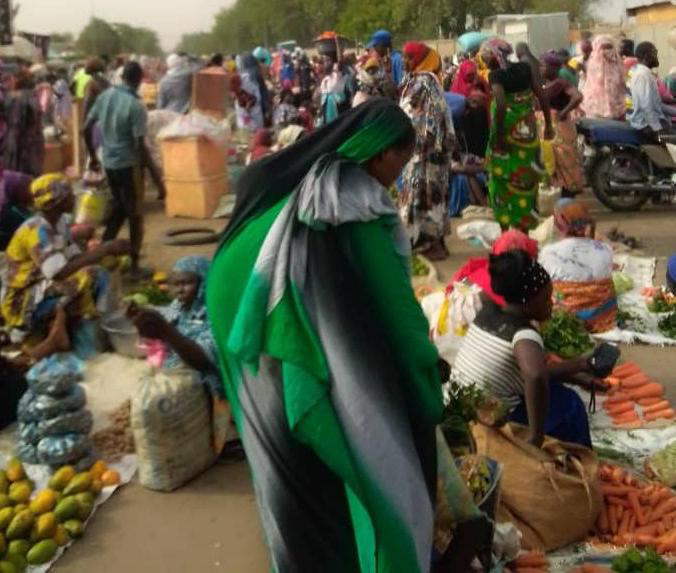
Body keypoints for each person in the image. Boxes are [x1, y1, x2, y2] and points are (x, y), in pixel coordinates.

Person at [206, 99, 484, 572]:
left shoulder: (294, 186)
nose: (401, 172)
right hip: (290, 352)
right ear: (377, 154)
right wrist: (424, 373)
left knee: (288, 479)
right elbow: (396, 310)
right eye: (401, 160)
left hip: (255, 344)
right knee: (378, 481)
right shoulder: (353, 206)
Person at [453, 249, 601, 448]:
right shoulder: (524, 334)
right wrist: (535, 435)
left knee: (551, 390)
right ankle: (577, 462)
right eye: (546, 299)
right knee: (570, 404)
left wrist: (578, 369)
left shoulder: (487, 310)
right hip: (491, 419)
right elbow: (535, 376)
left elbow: (530, 371)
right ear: (528, 300)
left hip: (461, 408)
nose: (551, 305)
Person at [1, 174, 129, 361]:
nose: (73, 197)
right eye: (68, 194)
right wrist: (104, 250)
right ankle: (88, 345)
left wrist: (104, 254)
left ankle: (102, 328)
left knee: (101, 270)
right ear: (57, 200)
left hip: (44, 285)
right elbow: (58, 272)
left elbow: (74, 257)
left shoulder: (60, 223)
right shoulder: (37, 230)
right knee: (90, 276)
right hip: (22, 299)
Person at [128, 256, 230, 452]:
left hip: (209, 384)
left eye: (187, 283)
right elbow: (165, 315)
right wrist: (141, 316)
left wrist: (166, 331)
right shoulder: (181, 305)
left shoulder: (215, 312)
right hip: (178, 375)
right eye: (175, 284)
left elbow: (203, 360)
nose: (179, 291)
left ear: (203, 282)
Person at [84, 62, 165, 278]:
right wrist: (158, 181)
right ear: (138, 80)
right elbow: (141, 148)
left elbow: (86, 128)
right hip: (128, 165)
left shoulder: (104, 97)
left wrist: (93, 157)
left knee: (119, 207)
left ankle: (101, 253)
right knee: (135, 216)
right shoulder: (135, 106)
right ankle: (135, 265)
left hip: (109, 163)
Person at [484, 39, 553, 231]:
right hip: (528, 137)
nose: (484, 59)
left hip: (506, 137)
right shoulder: (524, 68)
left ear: (495, 55)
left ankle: (506, 229)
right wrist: (548, 125)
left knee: (502, 182)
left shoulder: (496, 75)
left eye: (486, 55)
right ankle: (525, 228)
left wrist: (499, 137)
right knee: (527, 180)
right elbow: (541, 95)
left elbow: (501, 104)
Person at [399, 42, 455, 260]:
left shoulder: (425, 83)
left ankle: (433, 245)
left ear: (420, 59)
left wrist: (423, 145)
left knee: (427, 197)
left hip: (426, 153)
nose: (404, 61)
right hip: (423, 152)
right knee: (428, 197)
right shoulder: (420, 81)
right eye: (403, 57)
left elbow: (426, 117)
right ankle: (431, 242)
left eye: (408, 57)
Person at [539, 199, 617, 333]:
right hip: (602, 319)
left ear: (559, 223)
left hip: (564, 321)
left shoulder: (548, 252)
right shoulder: (605, 249)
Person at [541, 51, 586, 196]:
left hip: (560, 128)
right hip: (551, 129)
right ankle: (558, 192)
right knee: (552, 161)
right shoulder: (546, 83)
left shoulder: (560, 83)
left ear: (553, 68)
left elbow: (578, 96)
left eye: (543, 66)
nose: (540, 69)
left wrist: (564, 111)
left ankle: (567, 192)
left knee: (563, 161)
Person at [2, 71, 44, 177]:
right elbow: (37, 114)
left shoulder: (8, 97)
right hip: (31, 139)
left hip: (12, 138)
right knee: (31, 171)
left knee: (12, 169)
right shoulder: (32, 96)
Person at [450, 59, 490, 157]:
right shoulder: (457, 86)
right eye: (468, 75)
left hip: (480, 121)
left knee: (481, 147)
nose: (471, 78)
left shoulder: (481, 82)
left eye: (473, 74)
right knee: (467, 149)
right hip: (464, 124)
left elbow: (488, 98)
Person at [629, 42, 669, 138]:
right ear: (647, 56)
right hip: (646, 126)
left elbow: (657, 104)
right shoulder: (642, 75)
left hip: (652, 122)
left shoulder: (646, 74)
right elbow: (646, 106)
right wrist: (657, 128)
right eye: (655, 53)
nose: (657, 56)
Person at [581, 36, 626, 120]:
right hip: (595, 110)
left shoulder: (619, 64)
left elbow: (622, 84)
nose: (606, 52)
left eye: (609, 48)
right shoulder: (592, 64)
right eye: (603, 48)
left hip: (618, 110)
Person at [235, 52, 268, 132]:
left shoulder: (238, 76)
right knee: (257, 130)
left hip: (242, 109)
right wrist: (265, 107)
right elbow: (263, 93)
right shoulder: (257, 74)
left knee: (245, 131)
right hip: (256, 108)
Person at [0, 171, 33, 251]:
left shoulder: (22, 210)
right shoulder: (11, 214)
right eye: (27, 188)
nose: (32, 191)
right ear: (16, 190)